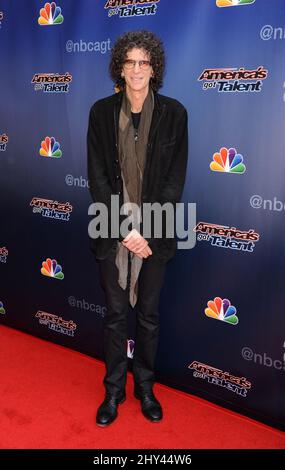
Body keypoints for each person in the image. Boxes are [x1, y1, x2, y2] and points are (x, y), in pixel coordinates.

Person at [87, 30, 188, 427]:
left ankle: (145, 387)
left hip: (155, 236)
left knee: (147, 316)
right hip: (111, 230)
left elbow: (172, 181)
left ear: (155, 67)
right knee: (114, 316)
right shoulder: (100, 112)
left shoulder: (175, 114)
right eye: (129, 62)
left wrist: (146, 231)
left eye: (144, 62)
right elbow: (97, 177)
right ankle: (114, 390)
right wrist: (125, 228)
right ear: (120, 67)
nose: (136, 69)